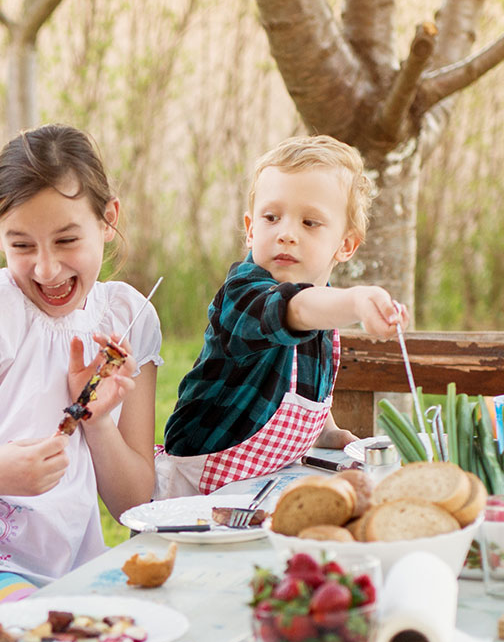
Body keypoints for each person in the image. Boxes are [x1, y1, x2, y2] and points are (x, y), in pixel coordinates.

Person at [0, 124, 162, 642]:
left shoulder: (127, 319)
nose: (46, 268)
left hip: (62, 576)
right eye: (21, 245)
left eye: (67, 240)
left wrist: (96, 419)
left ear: (108, 220)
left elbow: (135, 504)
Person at [157, 134, 409, 498]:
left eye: (310, 222)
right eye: (272, 217)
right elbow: (292, 309)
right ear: (250, 229)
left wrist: (326, 431)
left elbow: (308, 383)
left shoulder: (320, 309)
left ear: (346, 245)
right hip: (194, 493)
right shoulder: (243, 293)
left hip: (261, 487)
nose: (286, 234)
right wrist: (355, 301)